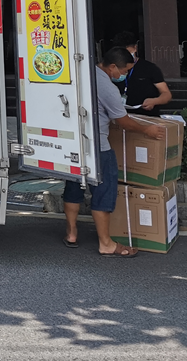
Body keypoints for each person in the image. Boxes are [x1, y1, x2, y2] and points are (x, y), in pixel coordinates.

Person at [62, 46, 165, 257]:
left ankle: (71, 234)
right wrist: (147, 130)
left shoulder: (82, 73)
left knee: (73, 186)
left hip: (74, 144)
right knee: (104, 191)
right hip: (98, 146)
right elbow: (123, 122)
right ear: (112, 67)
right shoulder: (107, 87)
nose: (124, 74)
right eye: (124, 71)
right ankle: (106, 243)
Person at [110, 31, 173, 117]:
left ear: (135, 48)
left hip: (147, 116)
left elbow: (166, 94)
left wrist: (154, 101)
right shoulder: (112, 68)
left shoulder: (150, 68)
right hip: (120, 116)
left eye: (128, 53)